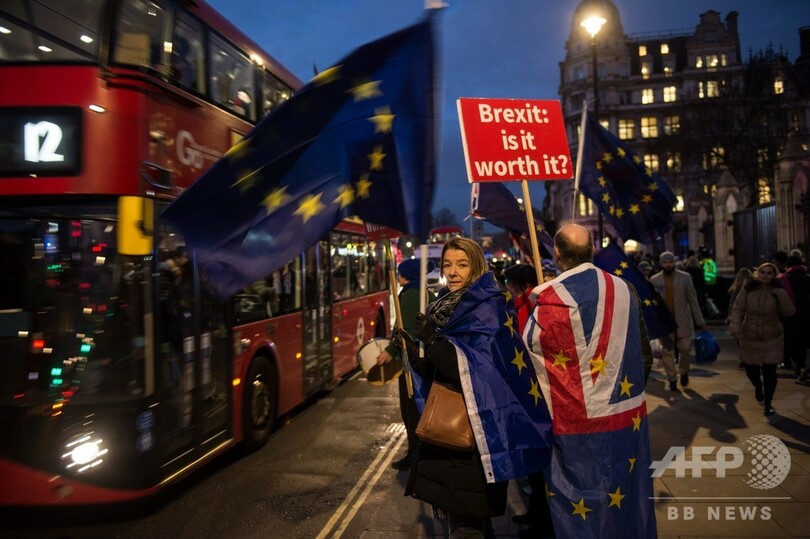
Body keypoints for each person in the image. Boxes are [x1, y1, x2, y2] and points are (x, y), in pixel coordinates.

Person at [396, 237, 552, 538]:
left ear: (476, 267)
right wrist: (415, 354)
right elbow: (440, 370)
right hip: (450, 434)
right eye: (447, 265)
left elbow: (474, 372)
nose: (453, 272)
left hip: (478, 434)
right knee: (470, 524)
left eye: (462, 265)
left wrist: (433, 341)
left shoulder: (488, 310)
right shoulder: (442, 307)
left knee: (467, 527)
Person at [523, 224, 656, 538]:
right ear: (592, 250)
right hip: (626, 420)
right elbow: (644, 353)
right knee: (624, 497)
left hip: (575, 427)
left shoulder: (551, 299)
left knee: (580, 504)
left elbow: (533, 367)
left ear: (556, 253)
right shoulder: (626, 290)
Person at [376, 258, 436, 471]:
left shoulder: (411, 295)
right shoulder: (422, 292)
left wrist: (390, 351)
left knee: (411, 409)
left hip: (412, 363)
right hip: (421, 359)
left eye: (400, 274)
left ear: (406, 276)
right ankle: (419, 452)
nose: (398, 277)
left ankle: (415, 455)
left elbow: (406, 330)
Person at [729, 262, 795, 415]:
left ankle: (768, 402)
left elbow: (789, 312)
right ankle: (758, 387)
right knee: (751, 370)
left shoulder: (778, 290)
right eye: (762, 272)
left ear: (774, 275)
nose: (765, 275)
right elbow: (738, 309)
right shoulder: (748, 288)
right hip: (750, 334)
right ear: (757, 273)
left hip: (772, 335)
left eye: (769, 273)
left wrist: (781, 294)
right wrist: (735, 328)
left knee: (770, 371)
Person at [650, 251, 707, 391]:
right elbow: (652, 303)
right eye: (665, 262)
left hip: (683, 319)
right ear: (661, 263)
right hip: (665, 322)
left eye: (670, 262)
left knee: (685, 349)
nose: (668, 265)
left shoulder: (685, 278)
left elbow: (692, 300)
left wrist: (700, 320)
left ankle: (683, 371)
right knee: (667, 352)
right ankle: (672, 378)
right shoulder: (654, 280)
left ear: (674, 262)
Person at [779, 253, 810, 380]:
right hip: (807, 315)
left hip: (790, 316)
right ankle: (800, 366)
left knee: (791, 342)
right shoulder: (808, 279)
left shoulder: (785, 280)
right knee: (803, 342)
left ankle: (798, 364)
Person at [503, 263, 538, 331]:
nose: (507, 287)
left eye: (511, 283)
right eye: (507, 282)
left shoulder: (530, 307)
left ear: (527, 285)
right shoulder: (517, 306)